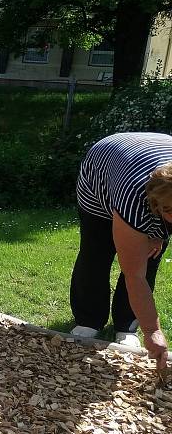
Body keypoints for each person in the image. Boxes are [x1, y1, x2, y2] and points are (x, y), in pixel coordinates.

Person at [70, 132, 172, 370]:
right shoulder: (134, 195)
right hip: (102, 175)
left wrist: (159, 233)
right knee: (96, 252)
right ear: (155, 205)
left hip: (149, 161)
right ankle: (89, 320)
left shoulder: (165, 204)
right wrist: (153, 330)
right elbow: (134, 274)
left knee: (150, 257)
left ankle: (126, 325)